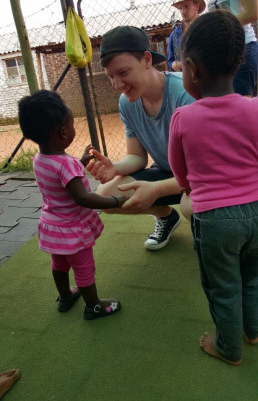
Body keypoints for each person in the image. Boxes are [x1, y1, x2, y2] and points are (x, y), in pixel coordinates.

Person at [168, 9, 258, 365]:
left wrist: (192, 188)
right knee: (252, 278)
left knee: (223, 288)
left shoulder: (184, 117)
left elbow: (180, 171)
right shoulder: (255, 109)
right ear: (237, 63)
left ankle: (227, 348)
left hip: (215, 220)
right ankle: (253, 331)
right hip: (257, 211)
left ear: (190, 68)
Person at [18, 90, 127, 321]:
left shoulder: (39, 159)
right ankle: (94, 306)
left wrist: (79, 162)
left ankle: (65, 296)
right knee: (84, 267)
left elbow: (60, 175)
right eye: (71, 123)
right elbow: (82, 198)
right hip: (72, 230)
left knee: (58, 263)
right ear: (64, 131)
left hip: (52, 226)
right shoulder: (66, 164)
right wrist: (115, 201)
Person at [87, 25, 194, 251]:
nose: (117, 85)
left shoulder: (186, 93)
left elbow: (204, 171)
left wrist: (156, 190)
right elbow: (136, 157)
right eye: (111, 77)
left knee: (191, 206)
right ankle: (166, 217)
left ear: (147, 59)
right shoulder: (128, 102)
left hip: (203, 176)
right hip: (169, 171)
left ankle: (211, 230)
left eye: (123, 73)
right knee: (106, 195)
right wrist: (115, 168)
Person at [188, 0, 258, 96]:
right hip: (222, 52)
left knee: (240, 104)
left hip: (243, 48)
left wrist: (218, 30)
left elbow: (253, 12)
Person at [168, 0, 206, 72]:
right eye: (180, 8)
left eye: (187, 6)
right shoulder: (174, 35)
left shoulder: (206, 28)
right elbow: (170, 62)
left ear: (197, 6)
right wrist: (180, 65)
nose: (183, 11)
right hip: (183, 79)